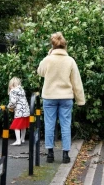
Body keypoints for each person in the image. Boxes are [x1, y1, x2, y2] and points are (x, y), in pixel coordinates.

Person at [37, 32, 85, 164]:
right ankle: (65, 155)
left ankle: (50, 154)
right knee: (65, 125)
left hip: (49, 96)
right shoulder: (70, 60)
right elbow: (76, 82)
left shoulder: (48, 59)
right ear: (65, 46)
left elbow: (40, 72)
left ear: (52, 45)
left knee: (49, 124)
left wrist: (48, 55)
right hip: (66, 97)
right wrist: (80, 100)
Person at [7, 77, 30, 146]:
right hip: (26, 111)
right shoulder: (21, 90)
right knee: (23, 126)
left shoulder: (13, 91)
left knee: (16, 126)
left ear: (11, 84)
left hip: (19, 111)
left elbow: (13, 101)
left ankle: (18, 140)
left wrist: (9, 106)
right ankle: (22, 139)